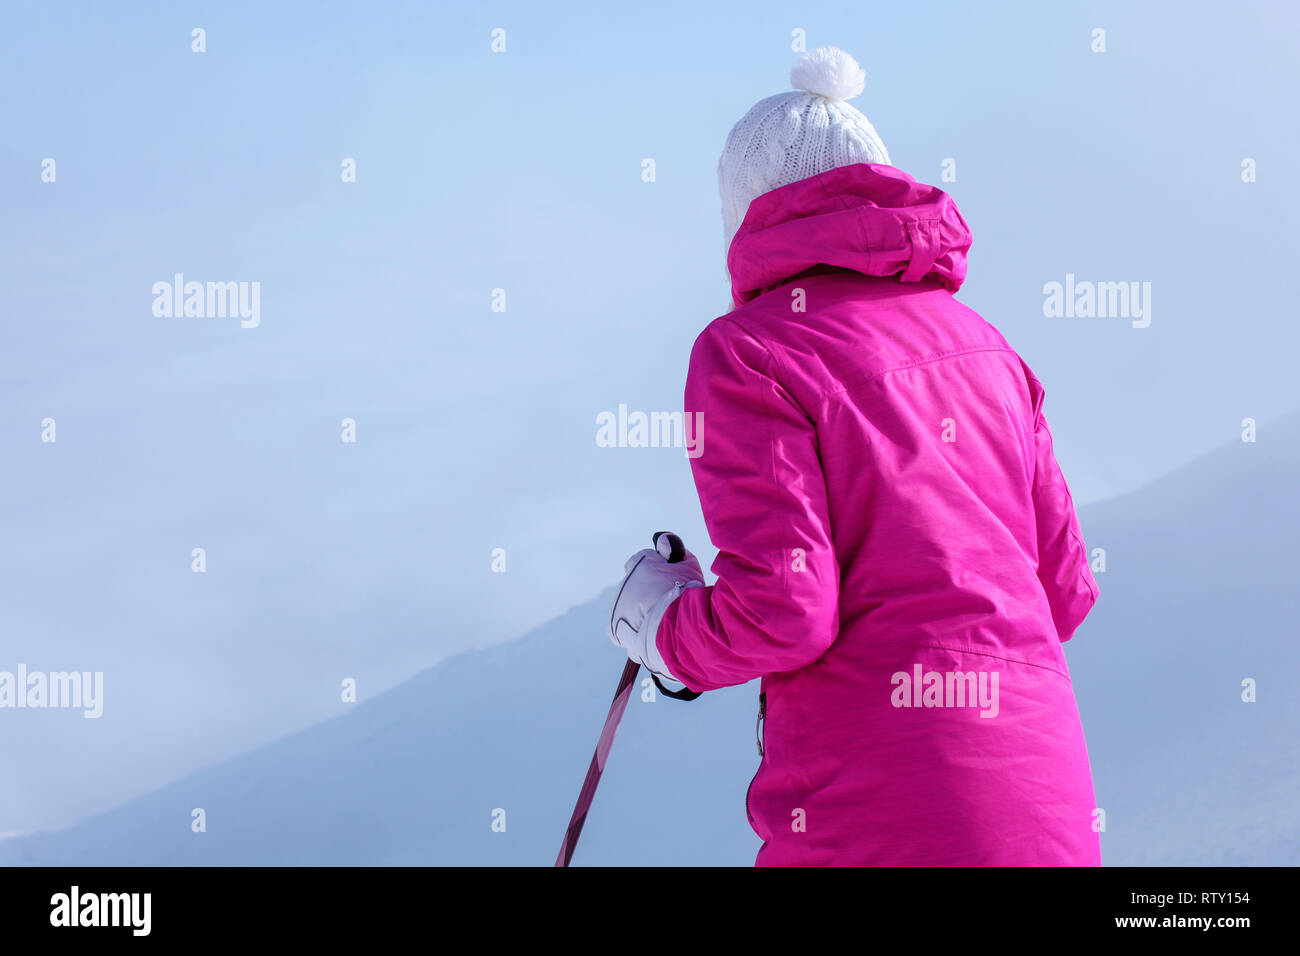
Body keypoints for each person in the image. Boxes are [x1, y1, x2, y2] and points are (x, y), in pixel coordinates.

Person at [608, 47, 1101, 866]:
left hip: (877, 811)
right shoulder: (990, 351)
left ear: (747, 216)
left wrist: (660, 629)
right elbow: (1064, 593)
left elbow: (783, 613)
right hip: (1046, 809)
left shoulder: (752, 352)